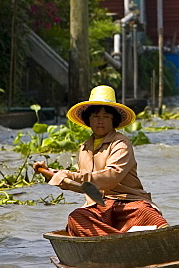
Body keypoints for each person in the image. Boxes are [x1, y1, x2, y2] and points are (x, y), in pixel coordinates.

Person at [32, 85, 169, 237]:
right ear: (88, 119)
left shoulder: (120, 143)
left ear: (113, 120)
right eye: (96, 116)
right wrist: (51, 174)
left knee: (147, 215)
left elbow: (110, 177)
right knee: (76, 218)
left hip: (127, 202)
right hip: (99, 206)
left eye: (106, 117)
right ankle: (115, 239)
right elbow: (81, 183)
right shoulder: (84, 147)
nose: (100, 121)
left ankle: (114, 238)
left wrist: (65, 175)